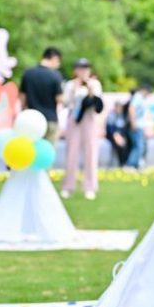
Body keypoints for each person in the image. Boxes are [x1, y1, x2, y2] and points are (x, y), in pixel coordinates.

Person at [60, 58, 103, 200]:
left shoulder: (95, 84)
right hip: (74, 118)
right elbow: (65, 103)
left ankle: (90, 186)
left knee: (91, 153)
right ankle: (68, 186)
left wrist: (91, 91)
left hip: (89, 119)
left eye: (85, 68)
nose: (83, 71)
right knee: (71, 153)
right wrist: (74, 90)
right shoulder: (70, 85)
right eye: (80, 68)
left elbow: (98, 105)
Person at [18, 47, 64, 143]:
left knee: (31, 151)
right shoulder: (56, 75)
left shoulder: (28, 73)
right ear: (54, 58)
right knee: (48, 152)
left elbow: (22, 97)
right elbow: (59, 99)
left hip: (31, 119)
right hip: (50, 119)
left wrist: (22, 111)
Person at [105, 92, 133, 167]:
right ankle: (121, 163)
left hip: (121, 133)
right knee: (119, 145)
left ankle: (126, 163)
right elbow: (110, 128)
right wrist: (116, 135)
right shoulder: (112, 115)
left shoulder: (123, 115)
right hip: (113, 134)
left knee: (129, 142)